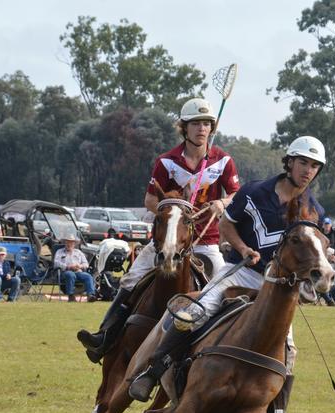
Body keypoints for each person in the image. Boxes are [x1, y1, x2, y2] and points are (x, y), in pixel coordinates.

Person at [128, 135, 329, 413]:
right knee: (193, 312)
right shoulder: (254, 191)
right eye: (303, 162)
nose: (308, 170)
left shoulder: (313, 209)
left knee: (289, 351)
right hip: (245, 274)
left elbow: (313, 249)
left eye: (314, 166)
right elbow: (226, 225)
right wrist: (242, 248)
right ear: (289, 162)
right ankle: (152, 373)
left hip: (277, 289)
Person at [77, 97, 240, 362]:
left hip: (205, 241)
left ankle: (219, 347)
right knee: (131, 278)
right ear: (184, 128)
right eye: (195, 123)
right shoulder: (166, 162)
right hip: (168, 240)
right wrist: (172, 215)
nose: (202, 129)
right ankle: (105, 336)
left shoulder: (222, 161)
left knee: (223, 290)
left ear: (212, 128)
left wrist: (222, 201)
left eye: (207, 124)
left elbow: (236, 192)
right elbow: (150, 200)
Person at [54, 234, 97, 302]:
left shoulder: (78, 252)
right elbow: (56, 263)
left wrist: (80, 266)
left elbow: (86, 264)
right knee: (70, 274)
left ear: (74, 244)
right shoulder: (59, 252)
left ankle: (90, 295)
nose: (69, 244)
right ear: (65, 242)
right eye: (68, 242)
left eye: (71, 242)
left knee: (88, 276)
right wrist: (68, 266)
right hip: (65, 272)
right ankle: (71, 296)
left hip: (78, 272)